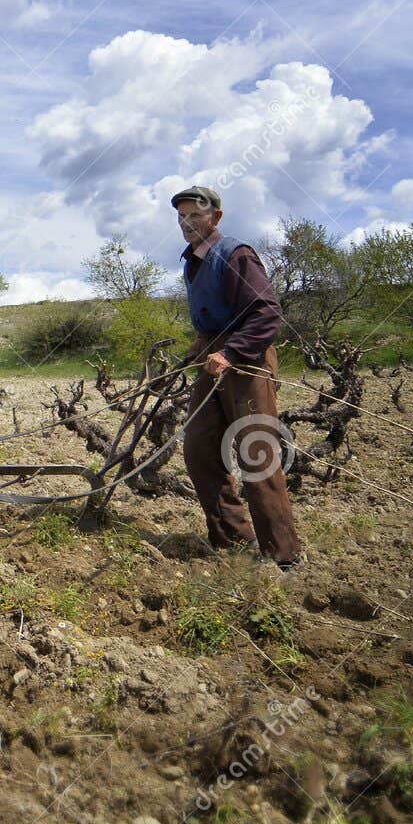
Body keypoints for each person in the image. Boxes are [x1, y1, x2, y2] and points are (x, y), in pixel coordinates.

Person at [171, 186, 302, 569]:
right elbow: (212, 316)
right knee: (199, 450)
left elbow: (266, 312)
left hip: (245, 361)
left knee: (256, 454)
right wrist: (199, 349)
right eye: (181, 216)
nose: (186, 222)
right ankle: (232, 539)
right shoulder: (192, 261)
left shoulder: (234, 254)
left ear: (216, 216)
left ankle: (283, 555)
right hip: (211, 358)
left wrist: (230, 352)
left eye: (195, 214)